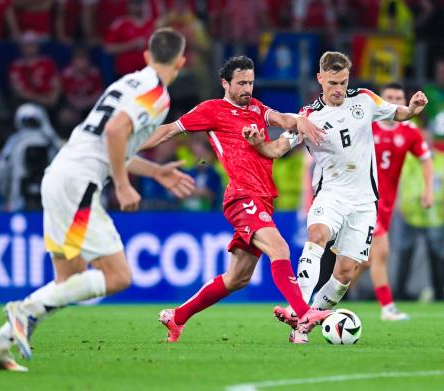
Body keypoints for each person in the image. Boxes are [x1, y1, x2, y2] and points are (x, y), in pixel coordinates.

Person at [0, 28, 194, 372]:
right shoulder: (157, 95)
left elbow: (112, 142)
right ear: (181, 62)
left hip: (59, 175)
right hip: (79, 186)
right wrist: (123, 185)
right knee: (118, 277)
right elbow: (114, 133)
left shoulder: (126, 83)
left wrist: (155, 172)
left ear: (145, 55)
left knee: (69, 278)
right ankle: (25, 309)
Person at [140, 55, 330, 344]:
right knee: (278, 247)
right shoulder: (211, 110)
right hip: (241, 195)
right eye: (241, 83)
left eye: (251, 82)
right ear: (225, 83)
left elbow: (282, 119)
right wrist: (126, 146)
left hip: (264, 198)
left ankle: (177, 317)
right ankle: (303, 314)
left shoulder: (256, 108)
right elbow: (168, 130)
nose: (247, 89)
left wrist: (300, 120)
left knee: (237, 279)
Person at [244, 51, 428, 343]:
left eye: (343, 82)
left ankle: (307, 320)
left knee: (345, 273)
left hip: (365, 202)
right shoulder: (308, 117)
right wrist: (258, 144)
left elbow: (399, 114)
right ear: (320, 79)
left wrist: (413, 108)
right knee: (317, 235)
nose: (338, 89)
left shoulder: (366, 100)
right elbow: (276, 150)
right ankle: (299, 313)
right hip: (331, 194)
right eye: (332, 83)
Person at [352, 81, 434, 320]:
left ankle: (326, 299)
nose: (395, 101)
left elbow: (426, 159)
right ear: (380, 100)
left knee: (364, 261)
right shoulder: (367, 125)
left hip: (386, 204)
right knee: (381, 250)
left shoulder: (409, 130)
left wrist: (428, 190)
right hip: (363, 199)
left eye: (399, 97)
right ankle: (388, 308)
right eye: (389, 97)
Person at [0, 103, 62, 211]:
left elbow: (0, 174)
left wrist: (6, 197)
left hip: (24, 202)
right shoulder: (52, 141)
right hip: (39, 202)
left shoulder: (15, 142)